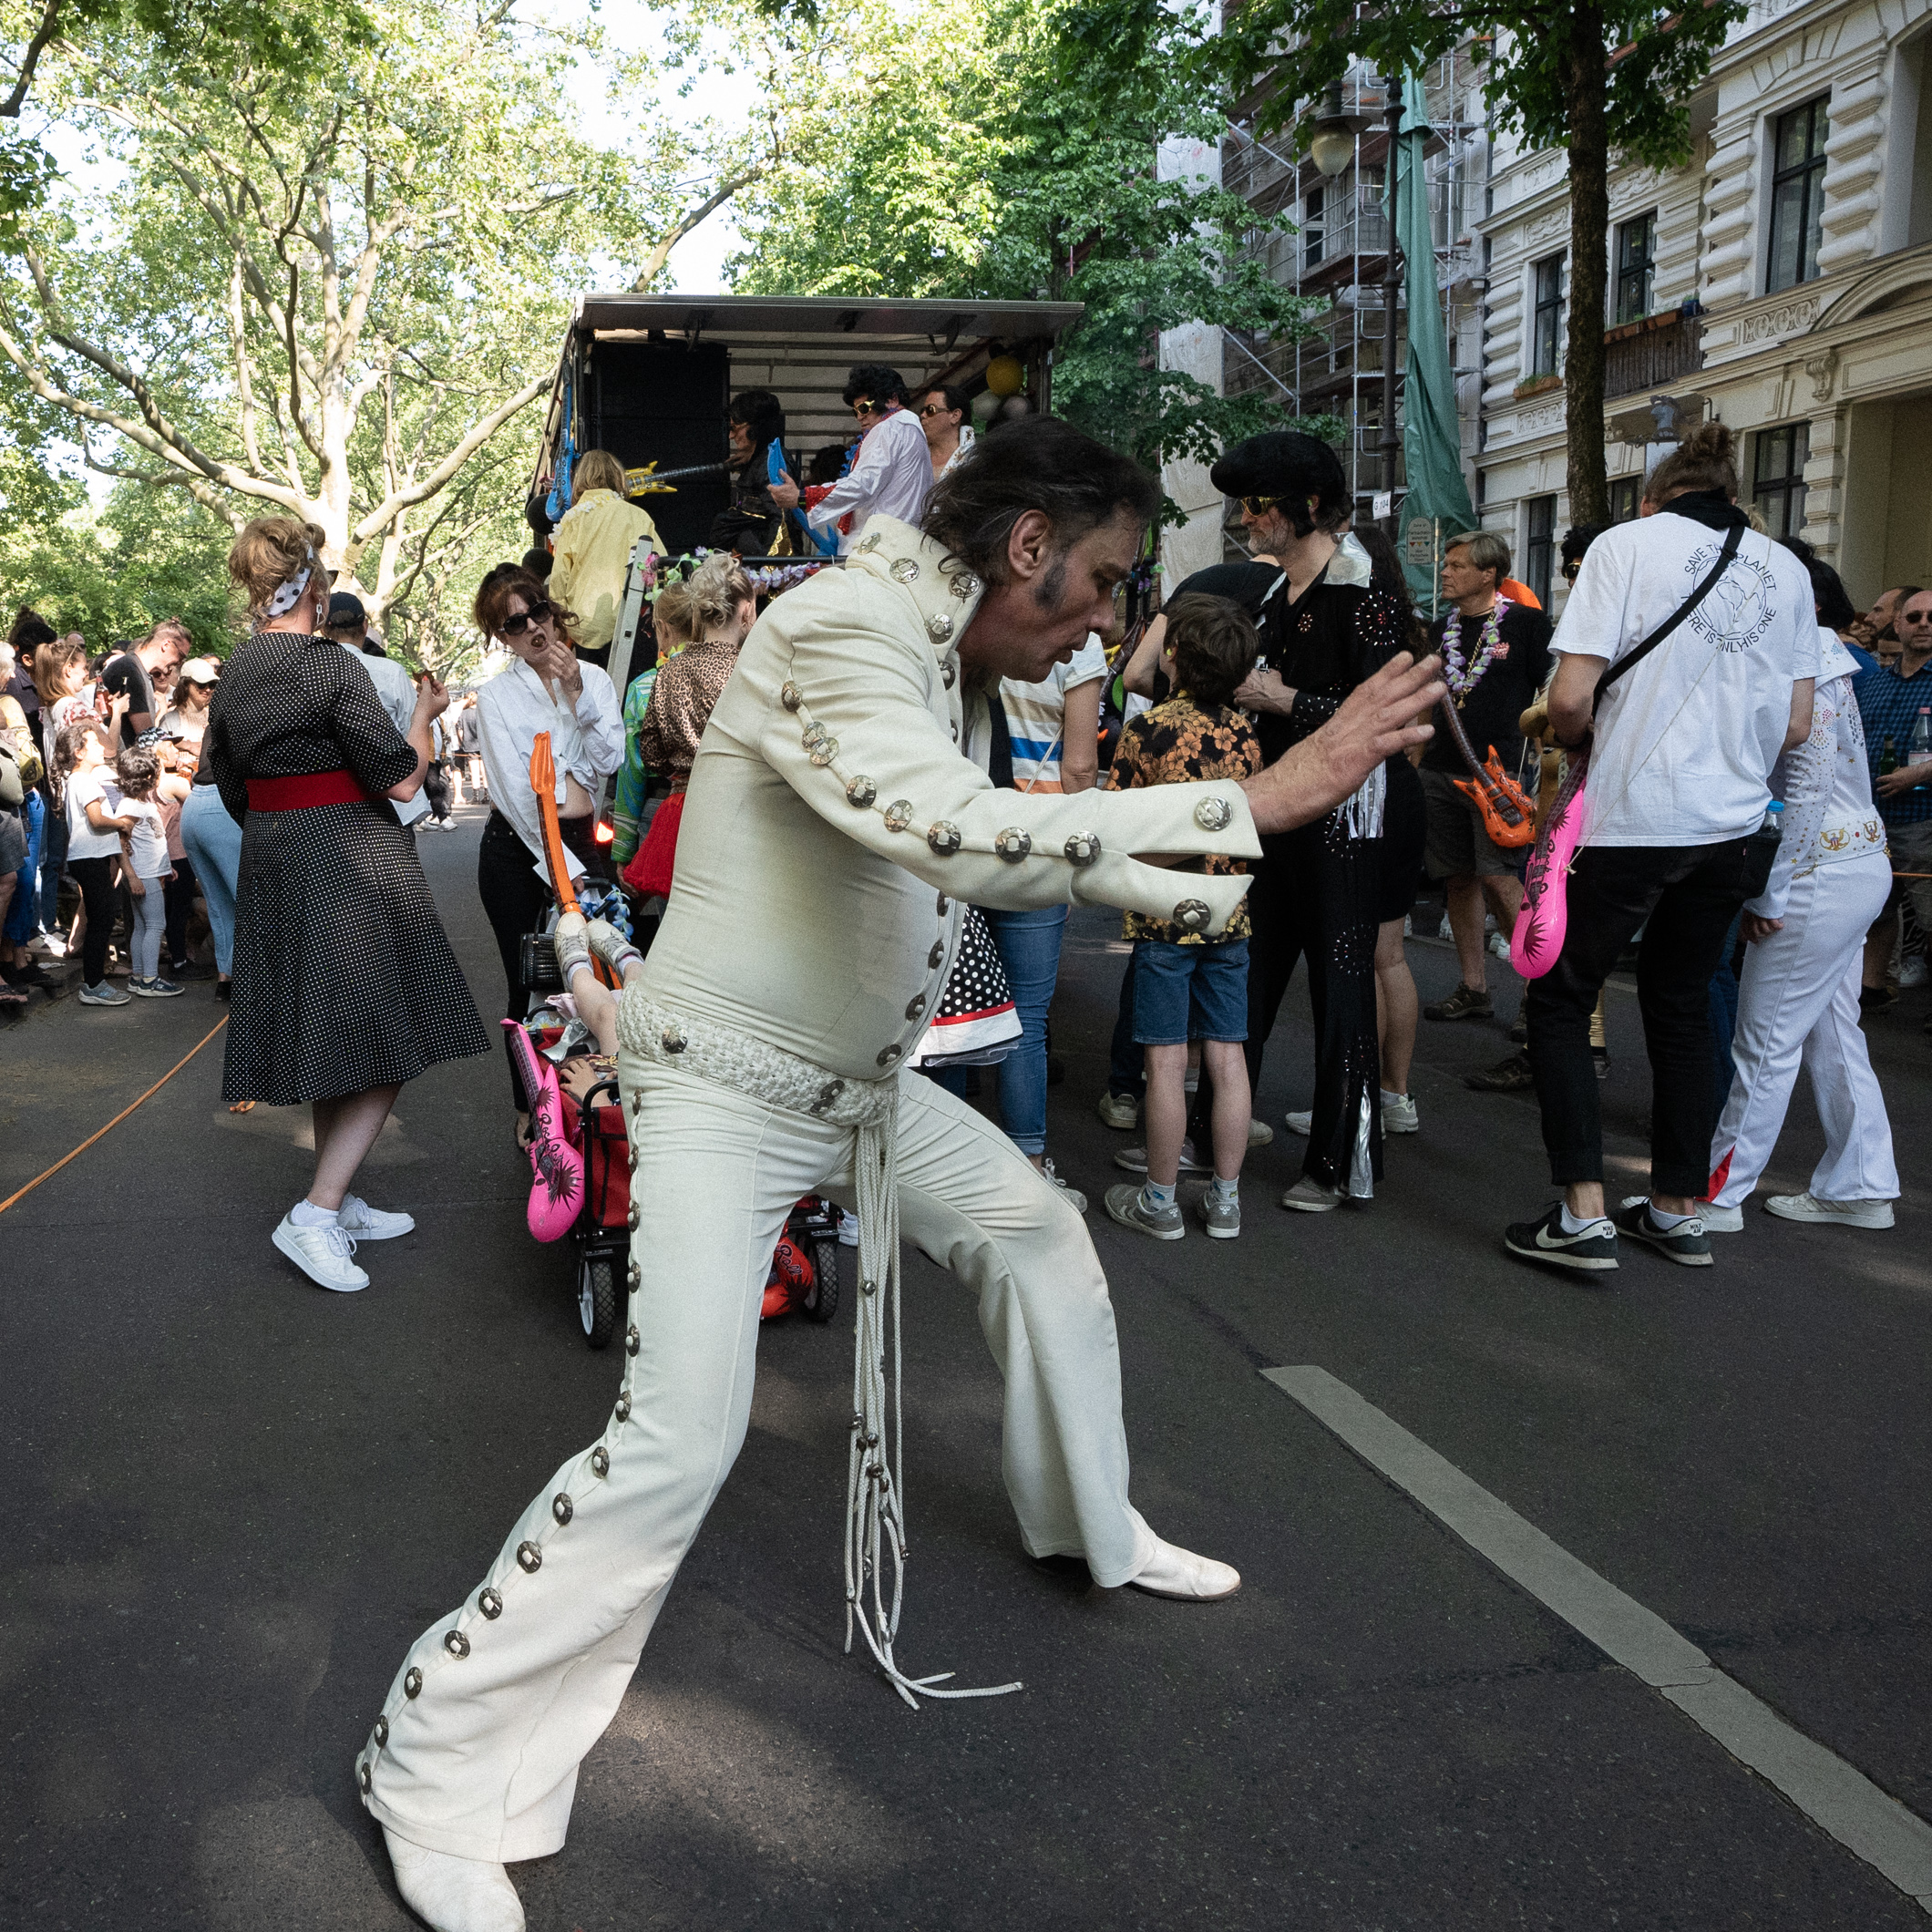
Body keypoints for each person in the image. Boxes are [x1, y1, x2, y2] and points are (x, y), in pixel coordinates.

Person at [357, 417, 1447, 1932]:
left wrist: (1175, 885)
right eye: (1107, 582)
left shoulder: (941, 651)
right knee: (678, 1442)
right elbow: (953, 830)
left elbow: (984, 840)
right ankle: (434, 1770)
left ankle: (1096, 1524)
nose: (1113, 620)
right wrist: (1250, 806)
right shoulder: (841, 625)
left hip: (854, 1090)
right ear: (1024, 549)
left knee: (1039, 1236)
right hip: (727, 1087)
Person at [1504, 423, 1816, 1274]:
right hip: (1736, 826)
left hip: (1635, 817)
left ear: (1655, 499)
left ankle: (1582, 1215)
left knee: (1562, 999)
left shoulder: (1624, 546)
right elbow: (1796, 723)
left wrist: (1577, 737)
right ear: (1733, 498)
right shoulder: (1787, 568)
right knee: (1681, 1004)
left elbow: (1569, 698)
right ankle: (1680, 1207)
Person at [206, 517, 488, 1293]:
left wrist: (282, 827)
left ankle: (339, 1194)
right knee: (386, 1032)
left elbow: (227, 783)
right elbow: (400, 780)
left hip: (274, 855)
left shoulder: (233, 673)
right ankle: (317, 1213)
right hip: (350, 860)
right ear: (318, 589)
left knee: (335, 1034)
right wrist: (425, 722)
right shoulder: (333, 666)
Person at [1193, 431, 1410, 1212]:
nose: (1244, 521)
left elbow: (1382, 717)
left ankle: (1338, 1162)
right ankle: (1212, 1132)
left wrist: (1281, 699)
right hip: (1276, 809)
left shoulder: (1365, 596)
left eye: (1255, 506)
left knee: (1341, 987)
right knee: (1248, 972)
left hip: (1345, 822)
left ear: (1304, 507)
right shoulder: (1275, 595)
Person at [1703, 626, 1896, 1232]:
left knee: (1764, 1044)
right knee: (1832, 1031)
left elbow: (1808, 786)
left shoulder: (1793, 647)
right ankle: (1861, 1184)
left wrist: (1772, 890)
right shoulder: (1814, 645)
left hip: (1819, 873)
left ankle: (1716, 1196)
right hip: (1856, 860)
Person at [1103, 593, 1264, 1241]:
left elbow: (1117, 814)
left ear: (1174, 655)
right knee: (1228, 1057)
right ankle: (1225, 1200)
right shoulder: (1248, 732)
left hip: (1163, 913)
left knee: (1165, 1062)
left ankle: (1160, 1200)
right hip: (1230, 914)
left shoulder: (1147, 730)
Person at [472, 568, 624, 1142]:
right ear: (502, 635)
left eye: (540, 610)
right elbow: (518, 795)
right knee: (527, 977)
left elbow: (608, 760)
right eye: (517, 621)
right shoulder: (496, 697)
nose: (536, 627)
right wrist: (570, 872)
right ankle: (529, 1107)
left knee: (598, 967)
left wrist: (579, 699)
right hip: (518, 851)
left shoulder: (592, 678)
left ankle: (591, 1097)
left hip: (584, 841)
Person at [1417, 531, 1552, 1025]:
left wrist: (1542, 755)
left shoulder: (1529, 625)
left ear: (1489, 573)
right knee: (1459, 877)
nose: (1445, 572)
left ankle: (1538, 998)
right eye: (1445, 564)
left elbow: (1552, 692)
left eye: (1456, 565)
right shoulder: (1438, 631)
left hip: (1502, 779)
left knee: (1501, 880)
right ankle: (1474, 986)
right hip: (1441, 771)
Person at [621, 555, 755, 900]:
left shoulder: (668, 673)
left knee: (681, 918)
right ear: (746, 611)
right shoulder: (753, 671)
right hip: (745, 812)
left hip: (683, 812)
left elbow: (650, 751)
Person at [1854, 586, 1932, 1002]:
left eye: (1931, 618)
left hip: (1924, 814)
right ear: (1898, 624)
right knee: (1876, 909)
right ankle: (1872, 990)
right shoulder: (1876, 683)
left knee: (1931, 916)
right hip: (1873, 819)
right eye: (1915, 617)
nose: (1924, 625)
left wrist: (1915, 774)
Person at [771, 365, 936, 555]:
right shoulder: (909, 427)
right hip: (900, 543)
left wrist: (801, 498)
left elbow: (861, 485)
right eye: (855, 411)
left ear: (892, 399)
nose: (859, 417)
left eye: (864, 408)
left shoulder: (889, 427)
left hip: (881, 548)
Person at [546, 449, 665, 669]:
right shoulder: (637, 515)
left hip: (584, 626)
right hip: (633, 624)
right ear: (616, 476)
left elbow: (559, 581)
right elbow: (662, 568)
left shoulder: (571, 521)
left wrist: (564, 624)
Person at [57, 721, 136, 1006]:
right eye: (94, 743)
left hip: (91, 857)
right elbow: (97, 819)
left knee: (101, 918)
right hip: (88, 857)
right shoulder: (85, 780)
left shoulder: (79, 779)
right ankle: (93, 983)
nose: (103, 747)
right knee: (101, 919)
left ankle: (94, 981)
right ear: (79, 752)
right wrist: (122, 823)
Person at [108, 745, 181, 997]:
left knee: (141, 926)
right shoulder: (131, 808)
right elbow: (120, 841)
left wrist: (165, 867)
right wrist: (131, 876)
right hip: (142, 875)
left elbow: (149, 841)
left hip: (148, 872)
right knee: (155, 925)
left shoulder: (139, 804)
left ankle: (138, 976)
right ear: (148, 778)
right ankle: (150, 978)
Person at [100, 619, 189, 748]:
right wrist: (185, 746)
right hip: (120, 762)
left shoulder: (143, 674)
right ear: (166, 645)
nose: (179, 663)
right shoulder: (130, 670)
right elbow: (145, 732)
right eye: (180, 656)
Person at [917, 382, 975, 480]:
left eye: (930, 410)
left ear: (955, 416)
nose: (923, 415)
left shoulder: (973, 460)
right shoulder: (915, 452)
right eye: (922, 410)